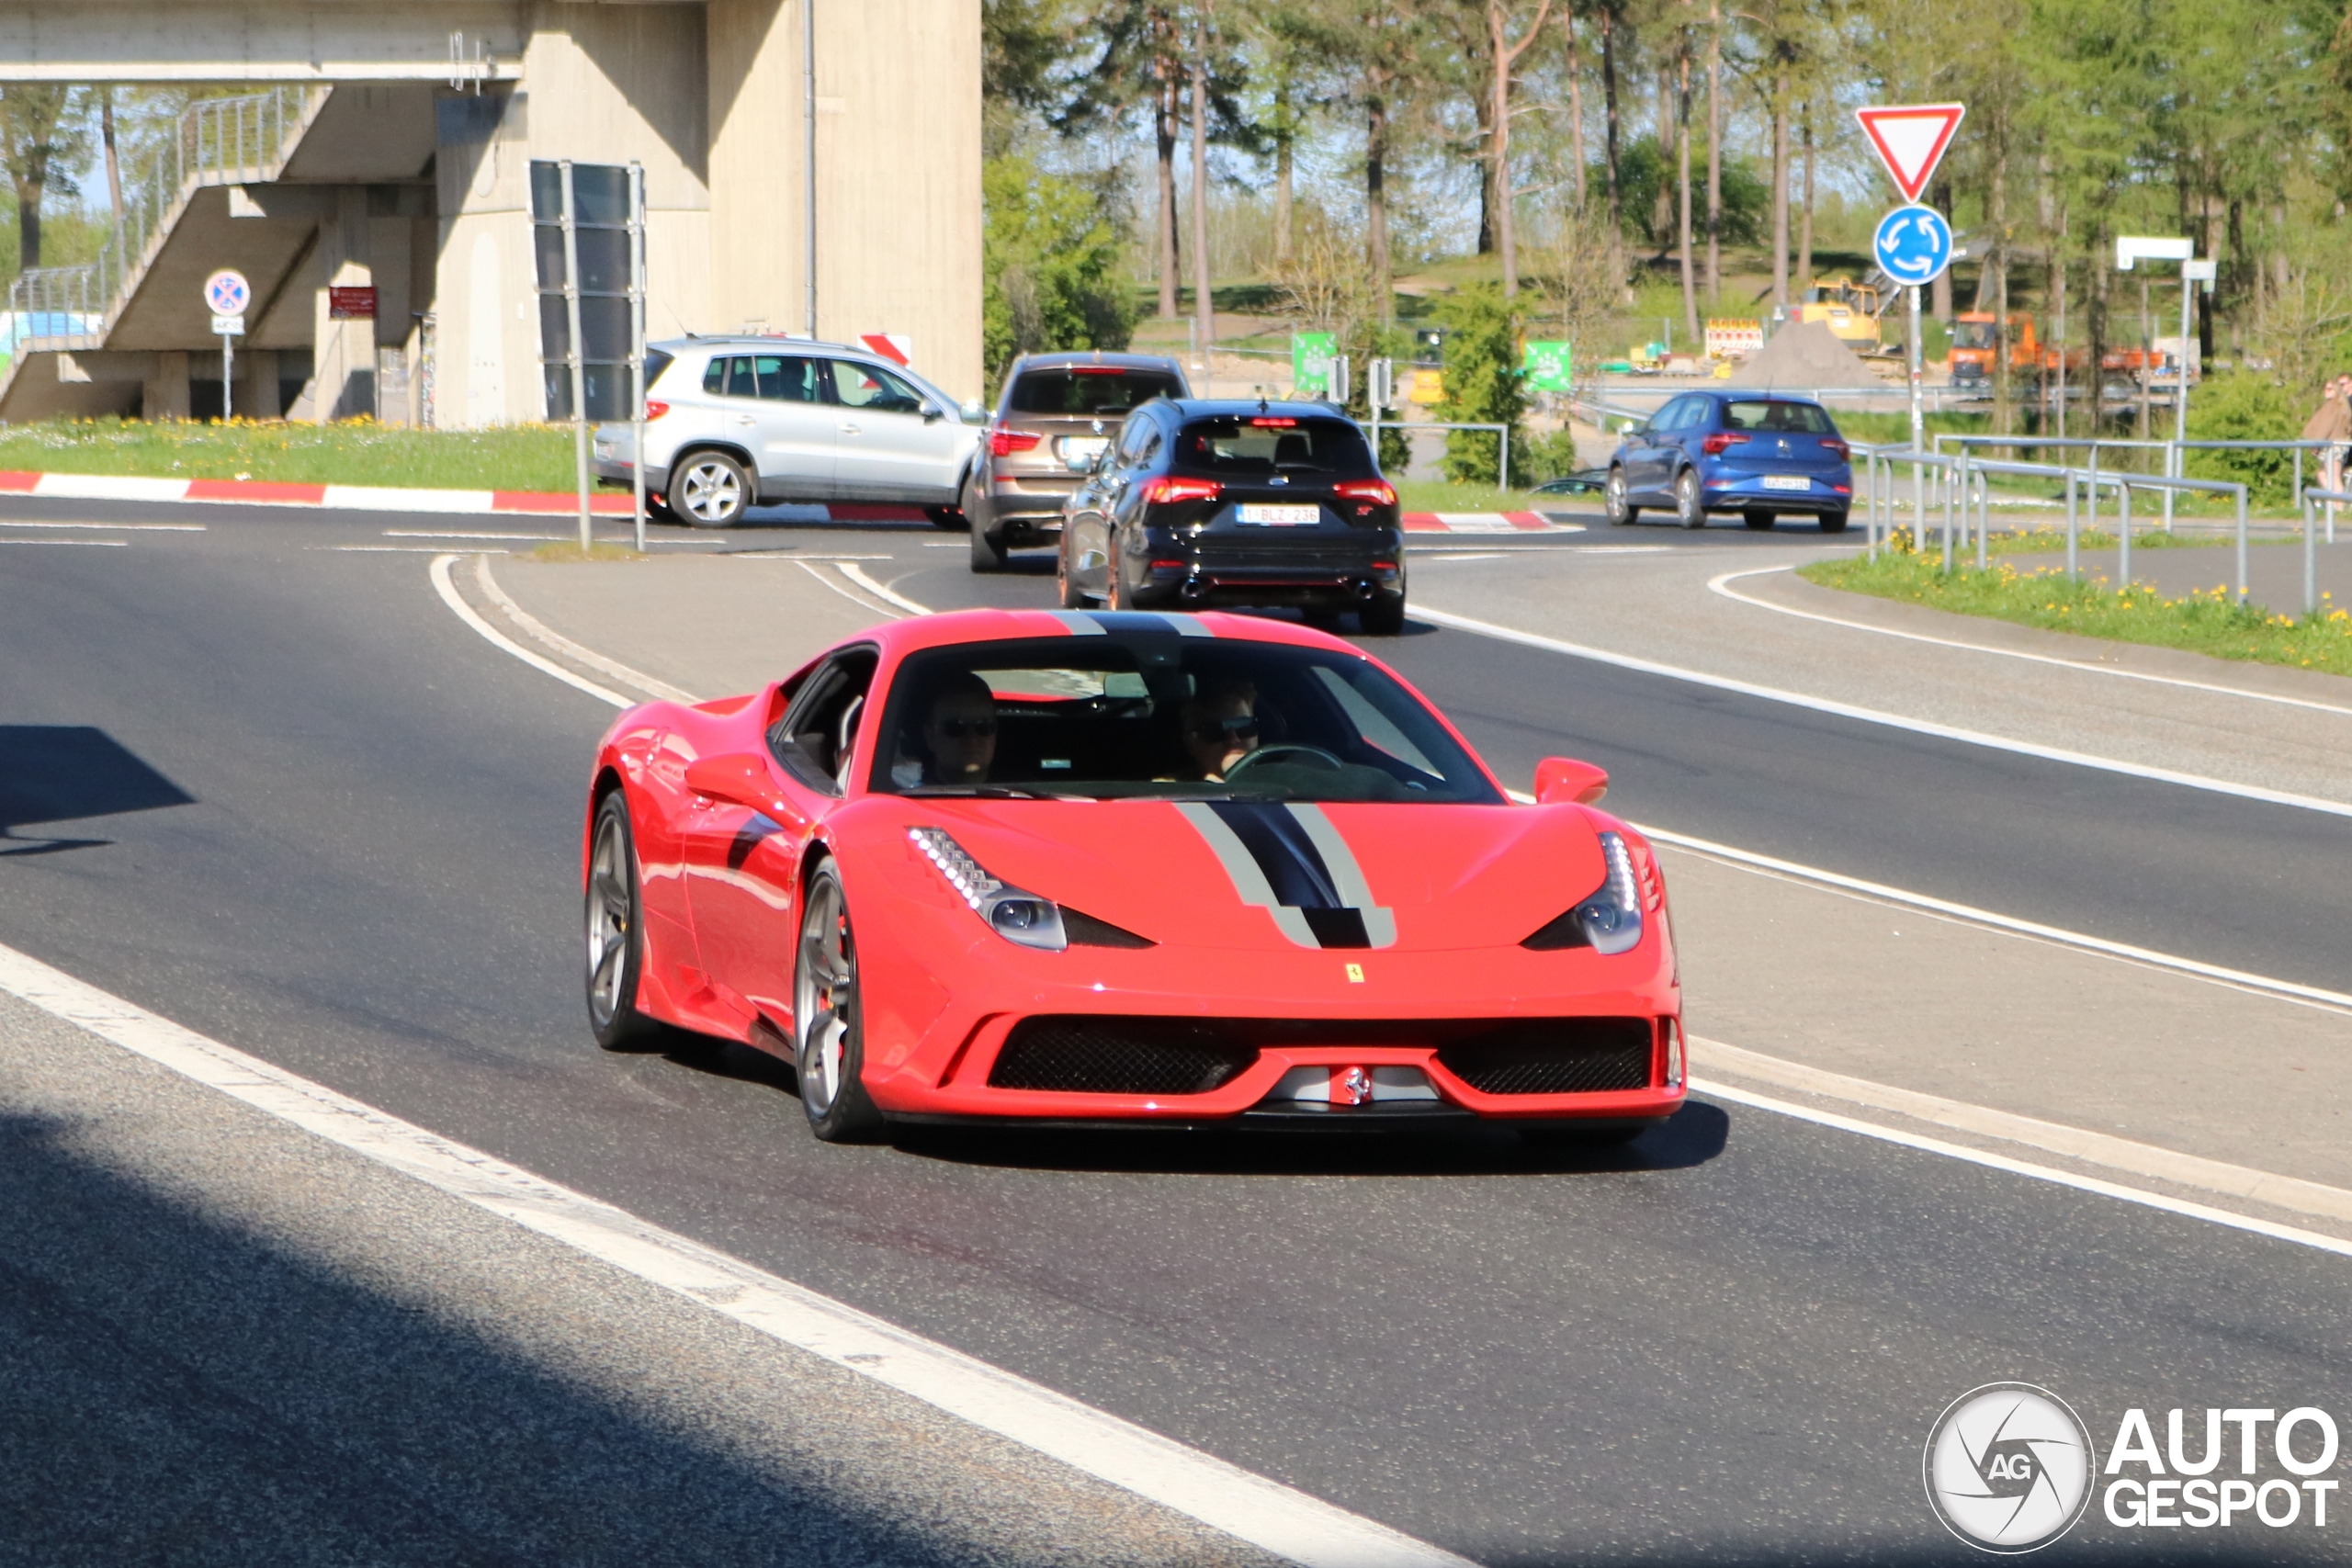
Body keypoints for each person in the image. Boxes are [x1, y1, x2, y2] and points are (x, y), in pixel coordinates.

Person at [891, 672, 997, 787]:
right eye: (955, 727)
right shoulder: (907, 796)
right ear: (930, 737)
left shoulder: (1011, 794)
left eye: (984, 726)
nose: (972, 739)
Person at [1181, 679, 1261, 781]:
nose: (1233, 739)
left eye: (1244, 726)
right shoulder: (1170, 789)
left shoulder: (1278, 781)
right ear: (1191, 745)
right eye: (1215, 731)